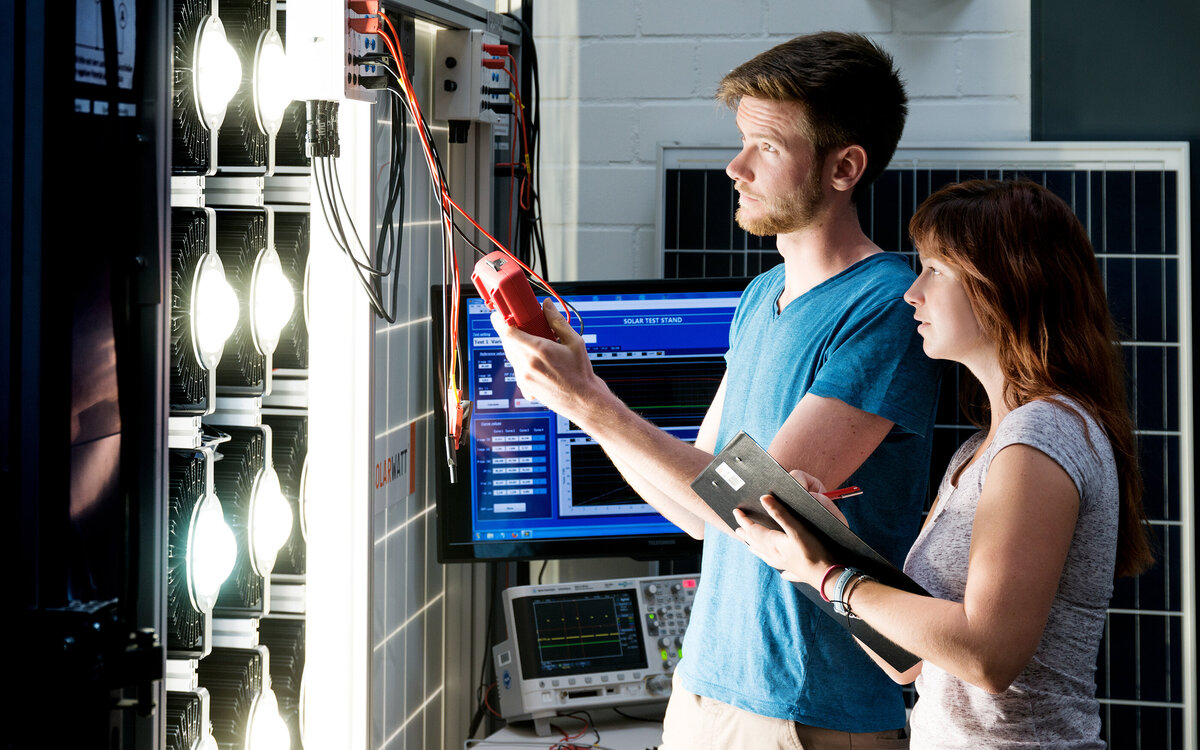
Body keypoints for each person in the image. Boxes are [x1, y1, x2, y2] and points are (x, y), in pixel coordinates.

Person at [492, 32, 941, 748]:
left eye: (765, 147)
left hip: (807, 710)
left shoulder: (885, 304)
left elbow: (760, 501)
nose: (735, 167)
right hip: (705, 692)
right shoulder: (759, 298)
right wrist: (578, 398)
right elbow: (701, 511)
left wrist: (588, 401)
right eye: (741, 143)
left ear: (844, 167)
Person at [734, 178, 1156, 749]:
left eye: (935, 270)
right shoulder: (980, 450)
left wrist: (825, 574)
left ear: (1003, 286)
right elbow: (907, 660)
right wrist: (825, 541)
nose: (913, 294)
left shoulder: (1042, 434)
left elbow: (987, 656)